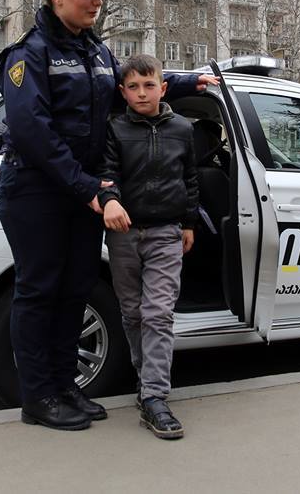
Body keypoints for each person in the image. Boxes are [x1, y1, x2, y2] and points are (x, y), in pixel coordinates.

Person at [0, 0, 216, 431]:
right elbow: (33, 132)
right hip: (37, 190)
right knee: (39, 292)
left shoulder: (93, 51)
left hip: (82, 194)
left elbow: (125, 87)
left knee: (75, 290)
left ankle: (64, 385)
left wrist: (181, 82)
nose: (96, 0)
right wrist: (87, 187)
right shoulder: (27, 54)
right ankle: (38, 397)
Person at [98, 54, 198, 440]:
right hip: (124, 234)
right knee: (133, 313)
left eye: (149, 85)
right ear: (122, 92)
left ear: (163, 88)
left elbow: (190, 179)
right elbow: (107, 173)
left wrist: (188, 223)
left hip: (166, 233)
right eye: (134, 87)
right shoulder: (115, 129)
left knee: (158, 313)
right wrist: (110, 200)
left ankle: (156, 397)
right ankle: (146, 383)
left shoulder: (183, 129)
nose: (142, 93)